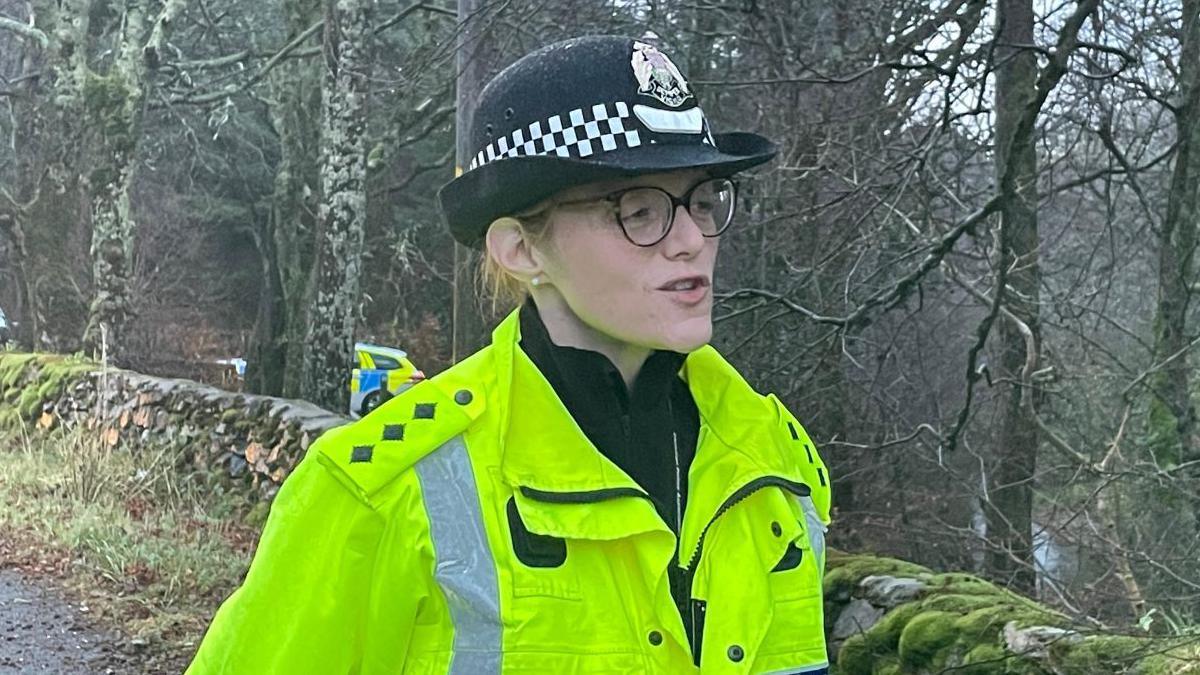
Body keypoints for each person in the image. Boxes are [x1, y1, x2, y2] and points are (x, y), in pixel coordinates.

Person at [187, 35, 832, 674]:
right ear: (521, 251)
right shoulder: (380, 489)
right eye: (639, 210)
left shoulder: (780, 460)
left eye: (704, 199)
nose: (692, 239)